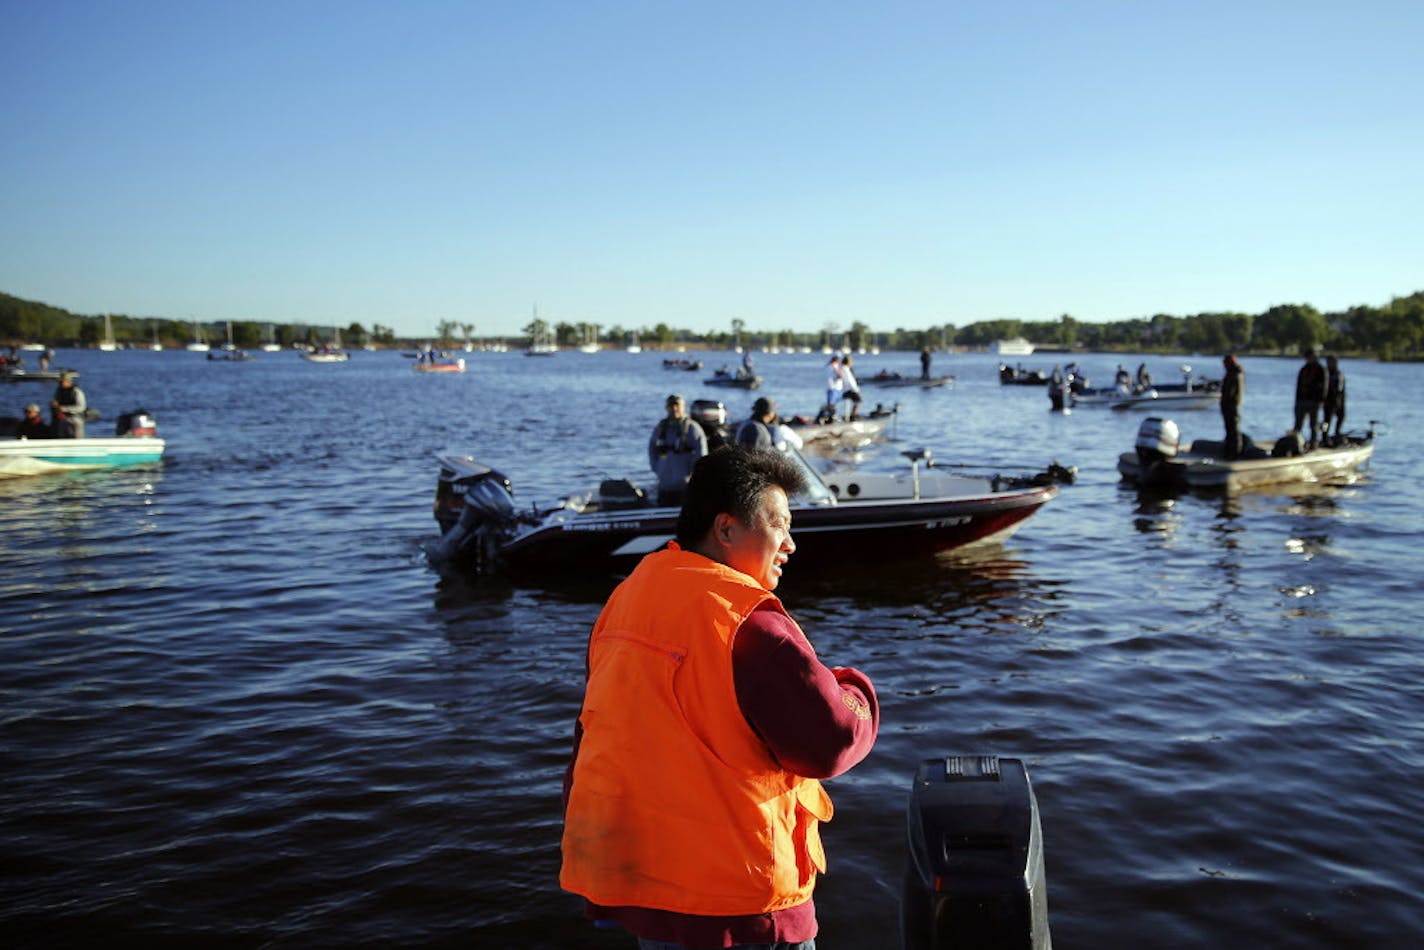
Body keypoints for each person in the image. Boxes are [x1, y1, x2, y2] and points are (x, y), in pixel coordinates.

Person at [560, 446, 879, 949]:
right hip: (740, 907)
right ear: (726, 529)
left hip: (648, 889)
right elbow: (831, 742)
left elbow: (591, 733)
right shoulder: (751, 624)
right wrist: (854, 687)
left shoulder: (626, 599)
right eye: (779, 525)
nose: (790, 544)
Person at [648, 394, 709, 507]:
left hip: (684, 485)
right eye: (671, 406)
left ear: (683, 407)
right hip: (664, 484)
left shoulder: (692, 428)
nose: (674, 409)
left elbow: (702, 454)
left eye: (677, 405)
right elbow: (652, 449)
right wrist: (656, 468)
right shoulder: (661, 428)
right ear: (667, 408)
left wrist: (691, 472)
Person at [1293, 348, 1326, 449]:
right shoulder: (1304, 369)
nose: (1309, 359)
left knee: (1313, 424)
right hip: (1302, 400)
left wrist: (1321, 400)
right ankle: (1295, 443)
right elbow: (1298, 386)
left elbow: (1325, 386)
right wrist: (1297, 401)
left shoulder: (1321, 370)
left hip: (1314, 401)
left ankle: (1313, 443)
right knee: (1298, 424)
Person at [1220, 354, 1245, 458]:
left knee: (1234, 431)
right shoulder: (1234, 373)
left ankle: (1234, 452)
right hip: (1231, 406)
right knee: (1231, 430)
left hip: (1232, 407)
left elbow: (1229, 393)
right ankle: (1230, 451)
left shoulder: (1234, 374)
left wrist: (1225, 404)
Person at [50, 372, 86, 438]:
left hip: (75, 419)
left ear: (68, 381)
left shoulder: (76, 391)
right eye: (59, 382)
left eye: (62, 382)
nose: (60, 383)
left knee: (76, 440)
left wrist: (65, 409)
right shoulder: (59, 391)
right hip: (63, 420)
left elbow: (81, 407)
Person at [1323, 355, 1346, 445]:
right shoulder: (1325, 373)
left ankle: (1337, 433)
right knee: (1326, 422)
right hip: (1328, 402)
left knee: (1341, 417)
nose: (1331, 364)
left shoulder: (1339, 374)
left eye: (1333, 362)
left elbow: (1340, 389)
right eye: (1329, 362)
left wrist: (1340, 400)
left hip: (1339, 401)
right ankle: (1324, 436)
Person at [839, 355, 862, 420]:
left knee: (856, 401)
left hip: (846, 389)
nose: (852, 363)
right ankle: (853, 416)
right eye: (851, 361)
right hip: (849, 390)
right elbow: (850, 381)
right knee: (858, 401)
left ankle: (851, 415)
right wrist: (856, 390)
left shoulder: (843, 368)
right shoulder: (845, 369)